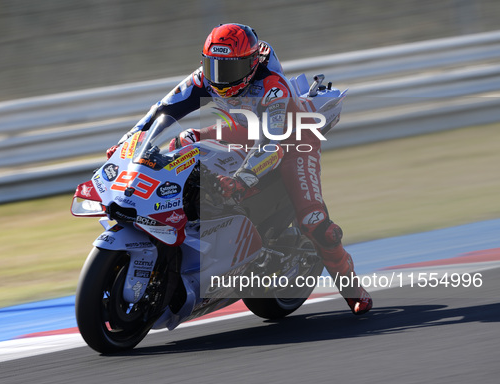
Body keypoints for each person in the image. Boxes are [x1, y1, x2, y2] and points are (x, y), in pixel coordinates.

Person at [108, 23, 372, 315]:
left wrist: (242, 180)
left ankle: (353, 290)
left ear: (250, 64)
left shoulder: (272, 87)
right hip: (242, 129)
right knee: (182, 142)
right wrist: (127, 144)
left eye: (229, 69)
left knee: (314, 221)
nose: (219, 78)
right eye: (213, 65)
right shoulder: (203, 79)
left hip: (293, 139)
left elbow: (273, 145)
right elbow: (161, 111)